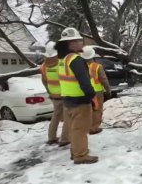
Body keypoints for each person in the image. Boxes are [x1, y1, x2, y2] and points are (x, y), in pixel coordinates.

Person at [55, 27, 98, 164]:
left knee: (74, 129)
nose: (81, 43)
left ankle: (75, 152)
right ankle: (81, 156)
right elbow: (85, 82)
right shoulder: (76, 60)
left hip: (68, 100)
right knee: (80, 129)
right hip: (80, 102)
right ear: (70, 43)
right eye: (79, 40)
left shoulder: (63, 60)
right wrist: (92, 97)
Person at [41, 41, 70, 147]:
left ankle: (51, 137)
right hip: (64, 94)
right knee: (67, 117)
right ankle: (65, 139)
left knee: (55, 116)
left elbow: (44, 81)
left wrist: (49, 91)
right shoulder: (61, 64)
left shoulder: (44, 66)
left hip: (54, 95)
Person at [81, 46, 111, 135]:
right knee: (97, 109)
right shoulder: (97, 66)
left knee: (87, 109)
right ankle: (94, 128)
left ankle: (86, 126)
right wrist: (108, 90)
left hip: (84, 91)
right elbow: (103, 79)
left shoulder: (79, 67)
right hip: (96, 92)